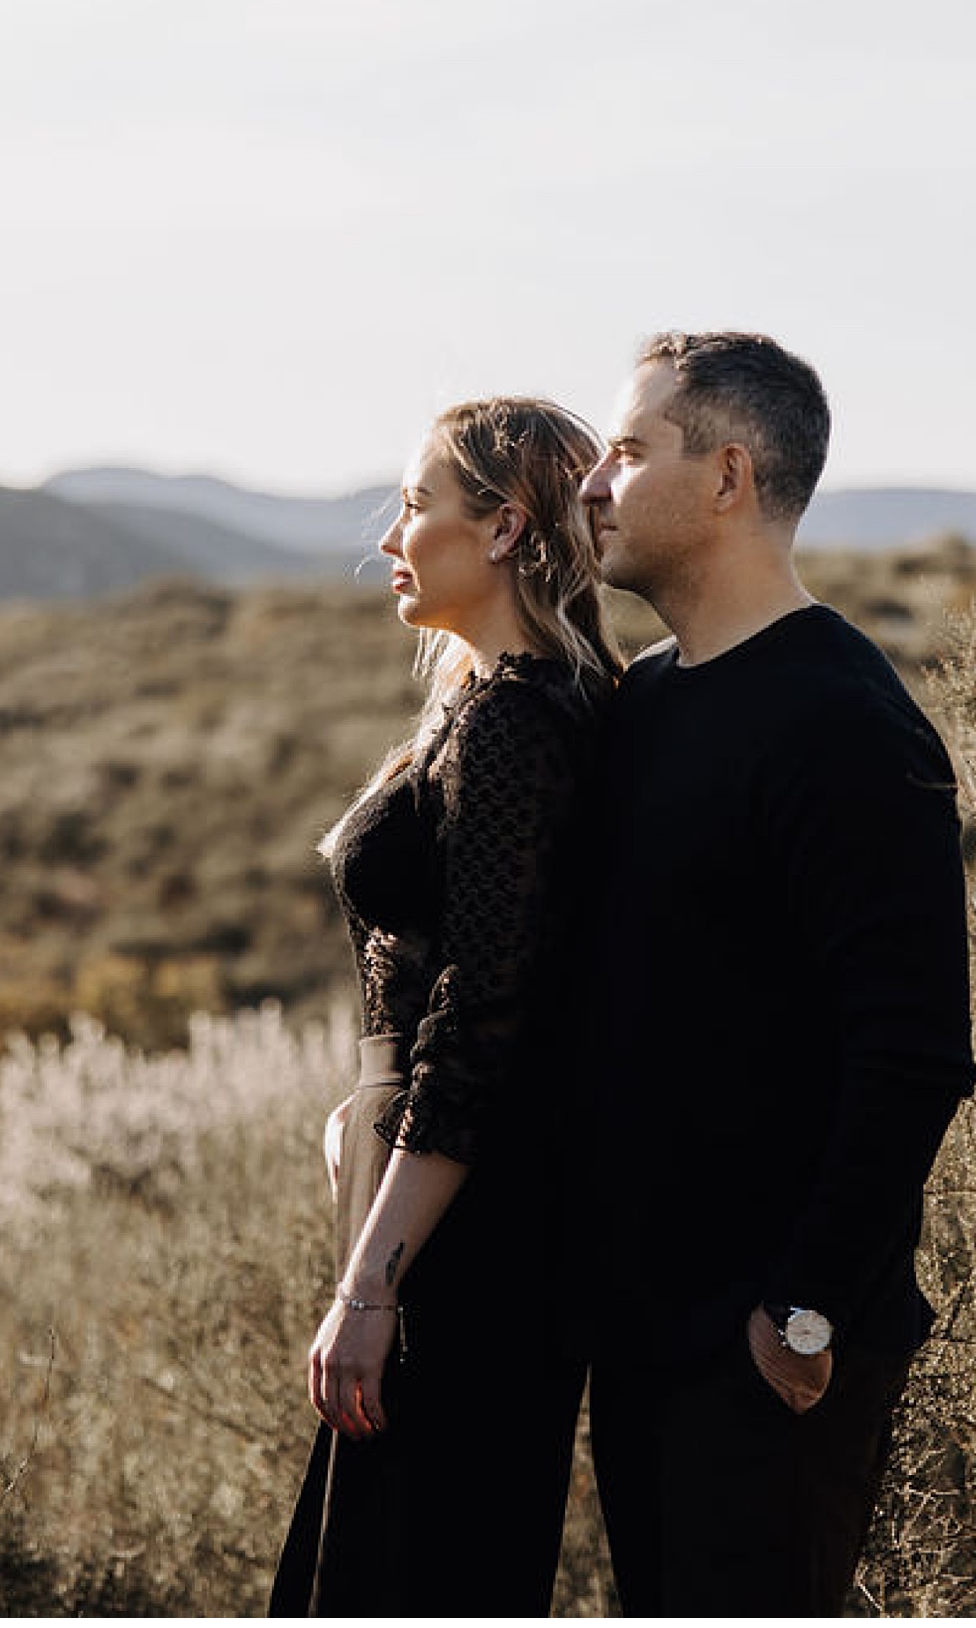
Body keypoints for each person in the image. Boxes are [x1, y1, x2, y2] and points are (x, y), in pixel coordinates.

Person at [561, 331, 976, 1615]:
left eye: (629, 453)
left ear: (729, 477)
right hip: (642, 1318)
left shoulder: (843, 723)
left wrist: (801, 1312)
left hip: (769, 1343)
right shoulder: (644, 697)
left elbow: (912, 1050)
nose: (592, 484)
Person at [270, 396, 620, 1617]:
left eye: (414, 506)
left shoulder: (519, 723)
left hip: (461, 1236)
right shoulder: (490, 704)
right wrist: (351, 1123)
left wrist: (369, 1288)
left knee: (415, 1569)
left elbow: (480, 1021)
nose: (392, 538)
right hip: (424, 1197)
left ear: (507, 527)